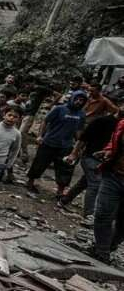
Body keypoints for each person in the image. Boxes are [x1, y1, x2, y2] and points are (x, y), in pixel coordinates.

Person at [58, 109, 121, 221]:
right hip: (91, 157)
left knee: (85, 182)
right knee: (95, 183)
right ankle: (89, 214)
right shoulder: (102, 121)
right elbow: (83, 138)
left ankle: (64, 200)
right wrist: (74, 154)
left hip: (102, 160)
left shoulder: (120, 126)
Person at [26, 91, 88, 196]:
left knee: (65, 169)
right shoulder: (59, 109)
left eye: (81, 100)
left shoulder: (81, 114)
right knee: (39, 164)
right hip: (49, 141)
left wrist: (79, 146)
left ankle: (60, 191)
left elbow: (79, 130)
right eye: (77, 99)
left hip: (66, 145)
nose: (78, 102)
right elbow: (45, 121)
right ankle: (30, 183)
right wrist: (40, 136)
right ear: (72, 98)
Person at [89, 119, 124, 263]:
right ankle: (102, 251)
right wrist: (109, 151)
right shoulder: (122, 123)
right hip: (114, 175)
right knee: (103, 214)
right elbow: (115, 141)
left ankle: (108, 246)